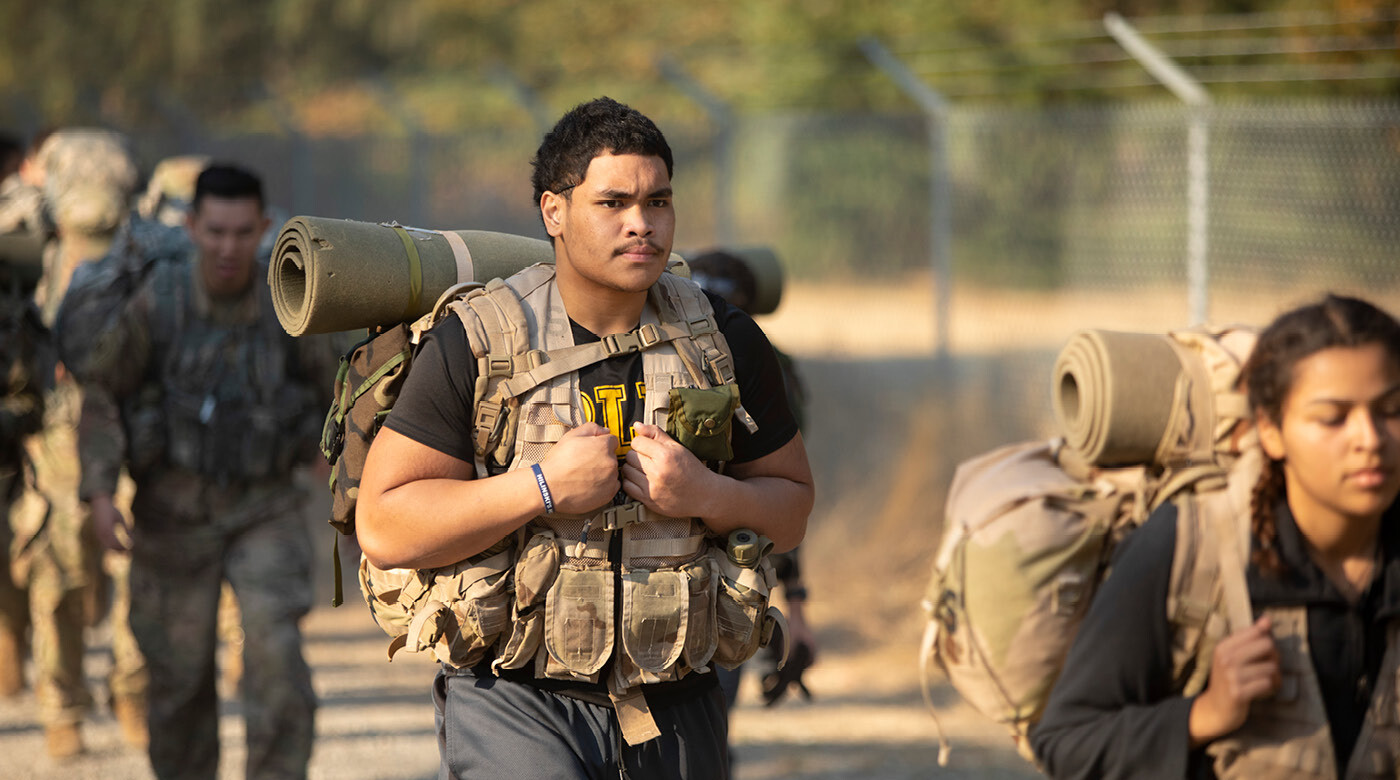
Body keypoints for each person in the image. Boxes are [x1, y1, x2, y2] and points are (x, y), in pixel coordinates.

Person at [357, 96, 814, 779]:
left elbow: (792, 508)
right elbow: (385, 525)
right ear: (554, 212)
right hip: (515, 699)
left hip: (678, 696)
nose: (642, 224)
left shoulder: (723, 339)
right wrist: (540, 487)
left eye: (659, 202)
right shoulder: (480, 343)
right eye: (614, 202)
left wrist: (708, 493)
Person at [1030, 293, 1400, 779]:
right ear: (1270, 430)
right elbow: (1067, 743)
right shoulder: (1185, 546)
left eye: (1391, 410)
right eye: (1332, 418)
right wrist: (1204, 714)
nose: (1369, 439)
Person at [79, 163, 330, 780]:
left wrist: (342, 473)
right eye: (215, 231)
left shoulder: (286, 297)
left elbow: (334, 391)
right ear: (191, 226)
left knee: (275, 655)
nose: (227, 247)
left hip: (264, 508)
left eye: (243, 232)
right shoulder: (156, 301)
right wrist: (100, 492)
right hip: (172, 516)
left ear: (264, 228)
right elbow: (103, 395)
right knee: (179, 676)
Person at [10, 128, 146, 759]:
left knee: (64, 573)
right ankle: (119, 695)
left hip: (84, 422)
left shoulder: (28, 236)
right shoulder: (27, 245)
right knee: (113, 567)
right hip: (91, 422)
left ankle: (72, 707)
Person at [687, 249, 818, 715]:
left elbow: (777, 493)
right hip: (725, 578)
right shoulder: (765, 362)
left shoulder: (762, 364)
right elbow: (774, 491)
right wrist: (796, 610)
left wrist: (795, 610)